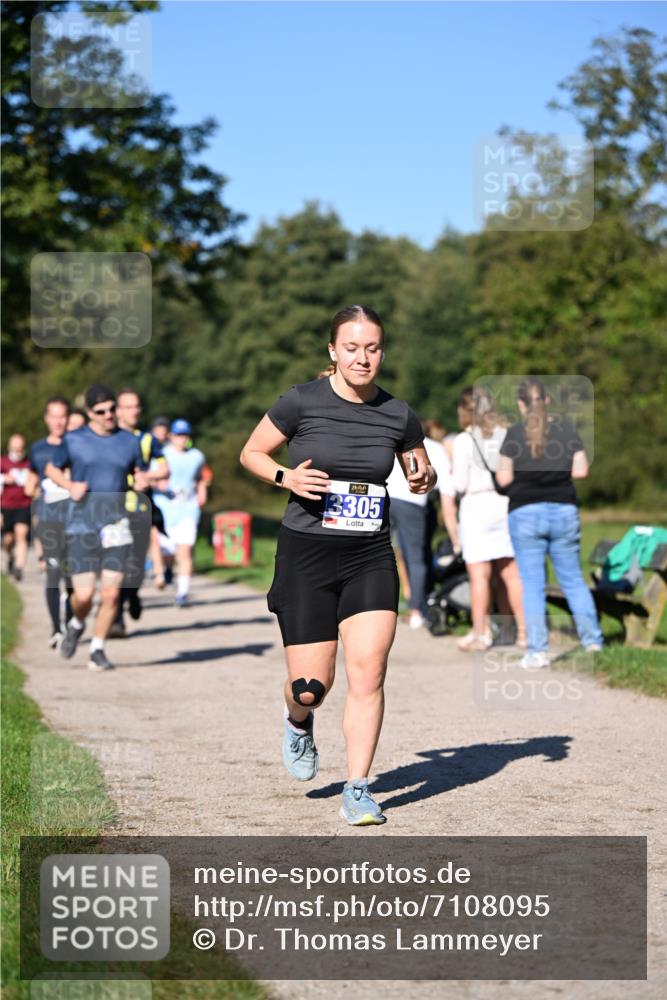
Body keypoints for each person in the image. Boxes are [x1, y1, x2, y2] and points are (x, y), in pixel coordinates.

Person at [240, 304, 436, 826]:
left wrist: (424, 477)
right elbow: (252, 453)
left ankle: (359, 788)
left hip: (369, 555)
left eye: (372, 347)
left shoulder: (398, 413)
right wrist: (287, 479)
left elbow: (419, 466)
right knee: (312, 687)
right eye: (351, 347)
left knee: (368, 672)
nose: (362, 357)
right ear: (333, 351)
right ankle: (298, 720)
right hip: (307, 554)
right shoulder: (301, 401)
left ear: (382, 352)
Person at [496, 378, 603, 667]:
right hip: (563, 510)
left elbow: (503, 479)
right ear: (548, 401)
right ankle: (592, 642)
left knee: (532, 584)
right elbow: (581, 471)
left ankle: (537, 651)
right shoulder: (567, 431)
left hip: (525, 513)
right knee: (573, 580)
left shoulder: (513, 434)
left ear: (521, 404)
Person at [45, 384, 148, 672]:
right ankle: (77, 622)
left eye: (112, 409)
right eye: (101, 411)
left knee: (112, 594)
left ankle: (97, 648)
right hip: (81, 524)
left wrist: (141, 481)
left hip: (116, 523)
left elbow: (137, 472)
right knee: (85, 595)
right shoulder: (74, 440)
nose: (108, 415)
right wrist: (69, 485)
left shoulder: (128, 441)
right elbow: (52, 468)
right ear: (89, 413)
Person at [452, 387, 526, 651]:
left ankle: (480, 634)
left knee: (479, 575)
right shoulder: (507, 434)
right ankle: (522, 633)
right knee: (511, 573)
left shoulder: (464, 440)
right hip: (505, 503)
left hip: (476, 506)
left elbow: (459, 484)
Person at [387, 423, 458, 628]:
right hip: (413, 503)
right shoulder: (434, 449)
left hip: (387, 498)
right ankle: (417, 610)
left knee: (379, 553)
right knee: (416, 558)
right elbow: (446, 491)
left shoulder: (395, 443)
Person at [111, 389, 169, 636]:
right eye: (128, 406)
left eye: (137, 406)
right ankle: (116, 618)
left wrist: (148, 476)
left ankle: (132, 596)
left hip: (140, 508)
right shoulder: (107, 440)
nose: (134, 411)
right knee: (116, 563)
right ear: (117, 410)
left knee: (134, 564)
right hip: (113, 509)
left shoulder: (147, 439)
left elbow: (164, 470)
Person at [25, 397, 73, 646]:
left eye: (62, 415)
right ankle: (56, 628)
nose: (58, 421)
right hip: (50, 519)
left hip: (75, 520)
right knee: (53, 573)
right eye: (54, 416)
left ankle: (72, 622)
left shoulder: (77, 445)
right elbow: (32, 480)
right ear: (46, 418)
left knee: (73, 576)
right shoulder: (37, 449)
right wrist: (32, 488)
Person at [152, 419, 208, 607]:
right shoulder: (162, 454)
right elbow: (152, 477)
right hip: (165, 508)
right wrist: (158, 483)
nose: (182, 439)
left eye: (185, 436)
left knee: (184, 552)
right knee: (167, 551)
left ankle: (182, 593)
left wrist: (202, 492)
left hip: (188, 508)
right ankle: (167, 569)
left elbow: (200, 477)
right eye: (178, 435)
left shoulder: (197, 456)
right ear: (171, 436)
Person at [1, 434, 32, 581]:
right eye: (15, 449)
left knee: (21, 534)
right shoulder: (3, 462)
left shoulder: (28, 464)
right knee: (8, 539)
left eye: (20, 449)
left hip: (23, 505)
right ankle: (11, 556)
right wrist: (4, 479)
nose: (18, 452)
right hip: (5, 505)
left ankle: (19, 568)